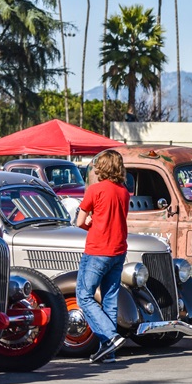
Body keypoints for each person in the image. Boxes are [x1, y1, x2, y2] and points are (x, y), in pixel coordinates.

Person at [76, 149, 130, 363]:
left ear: (102, 167)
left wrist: (91, 223)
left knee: (84, 296)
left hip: (98, 249)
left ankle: (111, 337)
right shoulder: (124, 192)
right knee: (110, 299)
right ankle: (109, 353)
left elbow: (80, 221)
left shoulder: (95, 190)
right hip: (118, 250)